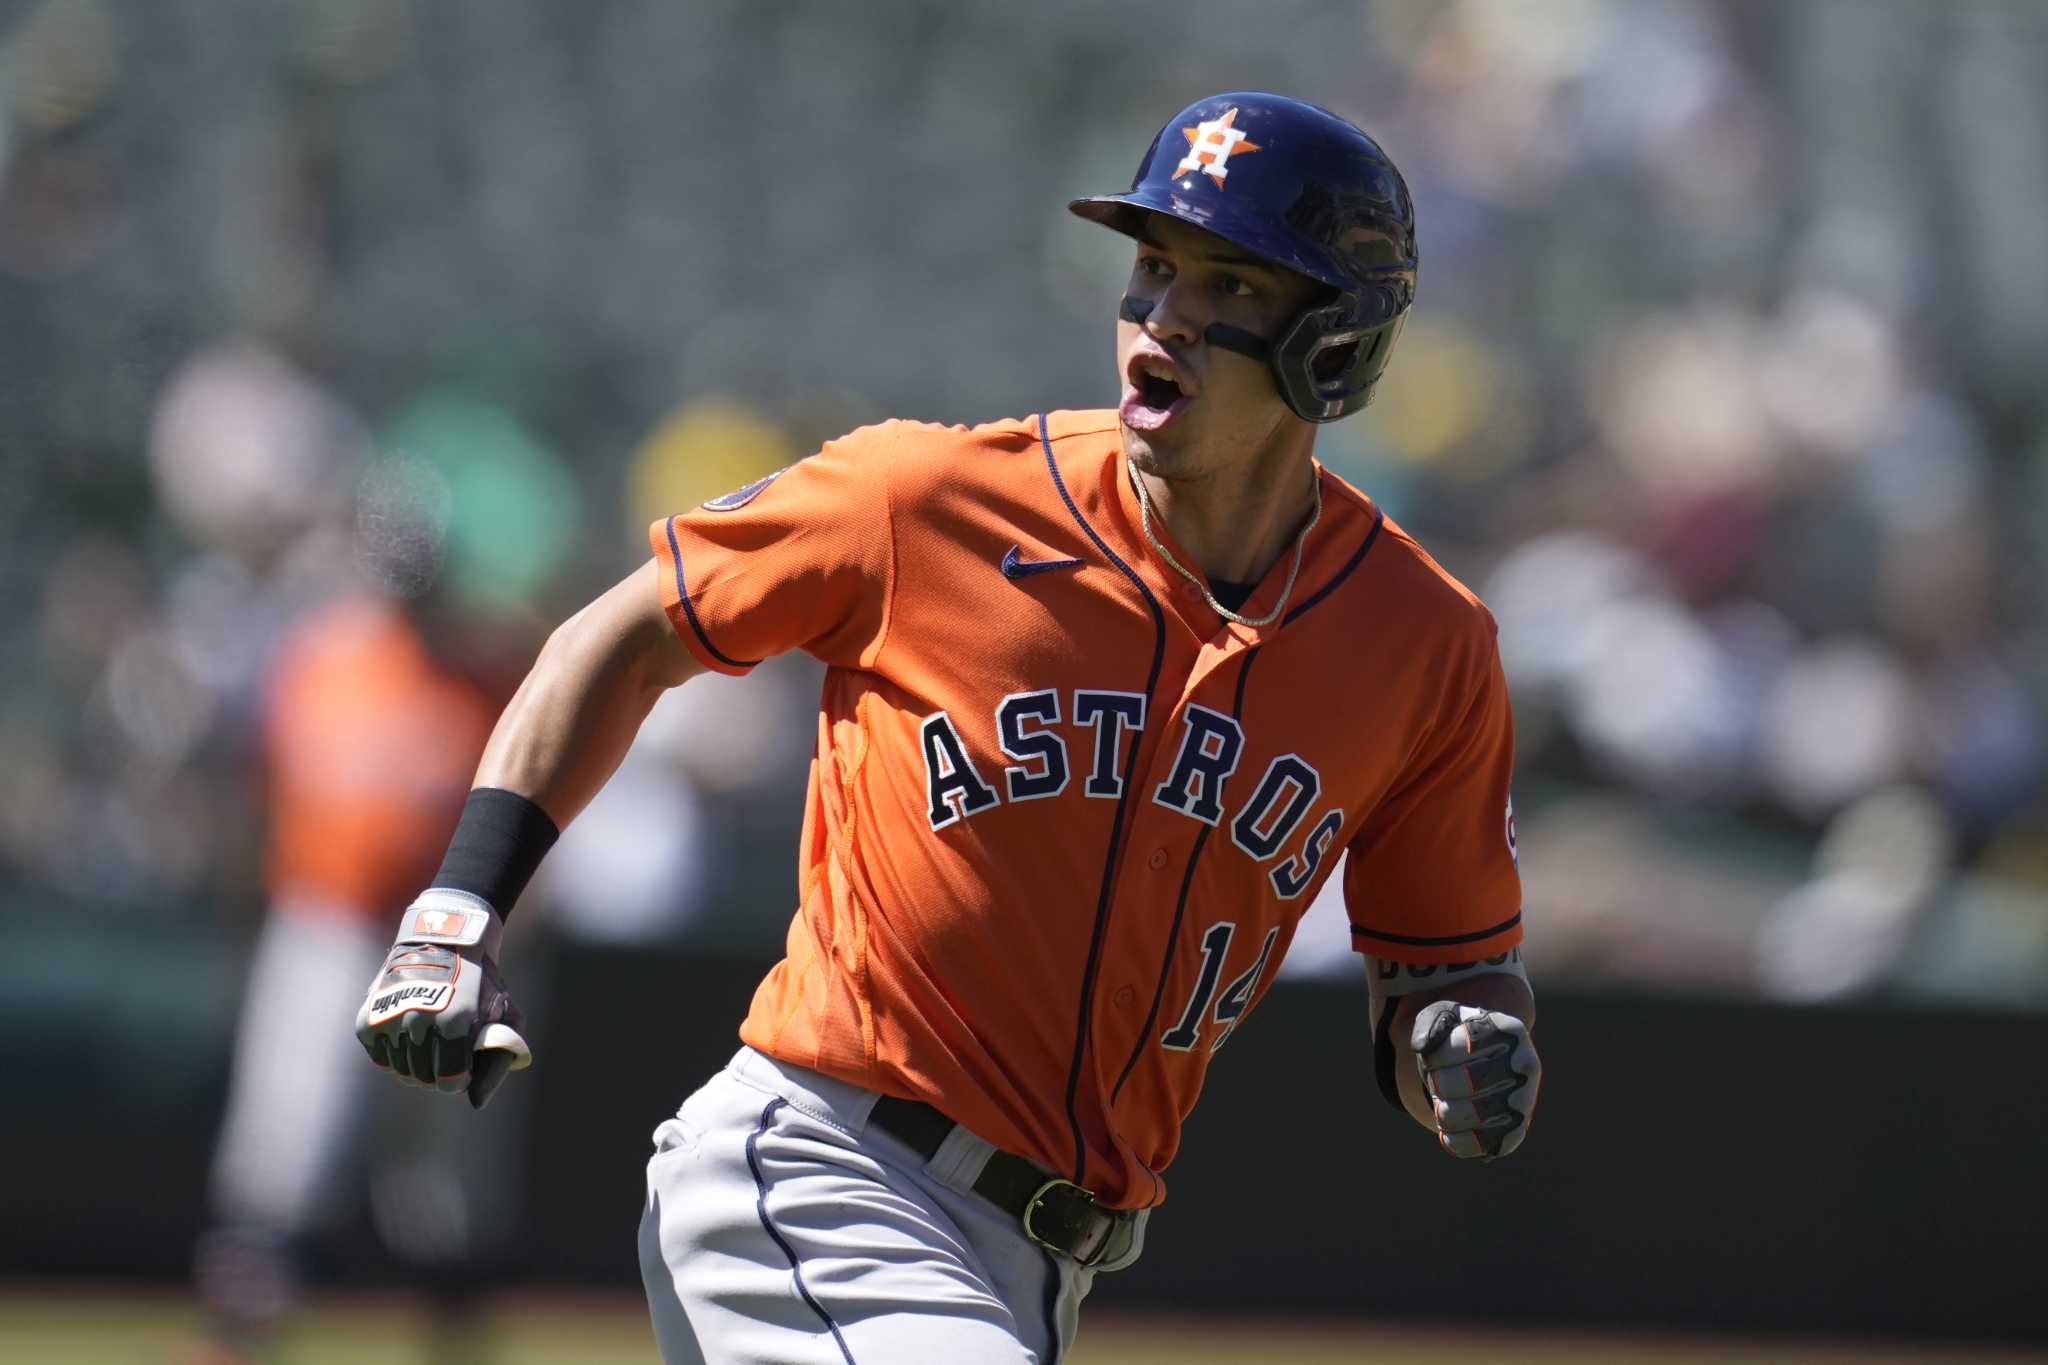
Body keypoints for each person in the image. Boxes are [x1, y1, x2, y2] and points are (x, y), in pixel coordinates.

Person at [354, 92, 1542, 1365]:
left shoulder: (1425, 647)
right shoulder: (925, 501)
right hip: (820, 1173)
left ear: (1334, 345)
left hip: (1038, 1262)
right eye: (1150, 266)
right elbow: (618, 636)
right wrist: (459, 909)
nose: (1165, 316)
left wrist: (1459, 1048)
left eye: (1231, 284)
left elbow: (1439, 973)